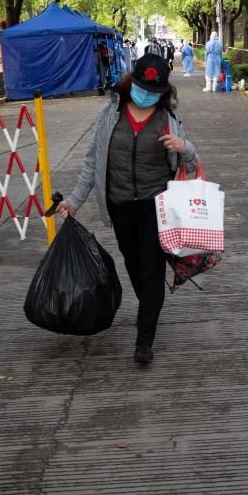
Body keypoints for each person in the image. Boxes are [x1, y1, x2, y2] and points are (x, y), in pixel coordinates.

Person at [55, 53, 198, 365]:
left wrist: (182, 146)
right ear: (131, 82)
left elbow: (192, 162)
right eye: (142, 87)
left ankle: (144, 339)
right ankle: (150, 305)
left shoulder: (168, 120)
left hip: (155, 207)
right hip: (119, 206)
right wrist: (75, 201)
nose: (146, 95)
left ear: (163, 92)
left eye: (154, 91)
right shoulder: (110, 115)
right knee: (134, 266)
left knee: (151, 270)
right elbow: (92, 163)